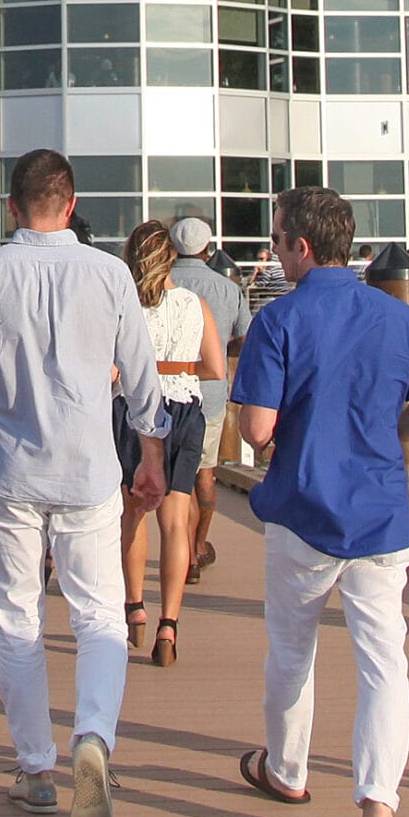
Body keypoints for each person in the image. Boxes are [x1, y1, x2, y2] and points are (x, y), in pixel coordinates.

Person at [0, 147, 168, 817]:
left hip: (10, 471)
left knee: (17, 620)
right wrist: (151, 452)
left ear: (12, 207)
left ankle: (36, 769)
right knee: (98, 616)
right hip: (91, 471)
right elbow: (145, 382)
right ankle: (92, 735)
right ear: (70, 205)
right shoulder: (110, 273)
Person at [231, 185, 409, 817]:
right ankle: (379, 801)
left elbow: (258, 432)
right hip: (379, 511)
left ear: (301, 246)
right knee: (385, 660)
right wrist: (392, 429)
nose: (273, 251)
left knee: (292, 651)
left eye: (277, 240)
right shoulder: (394, 317)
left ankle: (288, 770)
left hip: (302, 508)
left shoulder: (279, 321)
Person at [115, 221, 227, 669]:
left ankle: (135, 608)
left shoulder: (124, 307)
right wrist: (178, 371)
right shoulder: (193, 304)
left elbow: (110, 368)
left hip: (133, 409)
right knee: (177, 522)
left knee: (134, 512)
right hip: (183, 407)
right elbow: (216, 366)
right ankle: (170, 625)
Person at [167, 216, 249, 573]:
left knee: (175, 475)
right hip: (211, 392)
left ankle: (183, 547)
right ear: (207, 248)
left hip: (167, 388)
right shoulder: (226, 287)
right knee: (204, 475)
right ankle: (198, 546)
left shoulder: (161, 282)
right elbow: (245, 334)